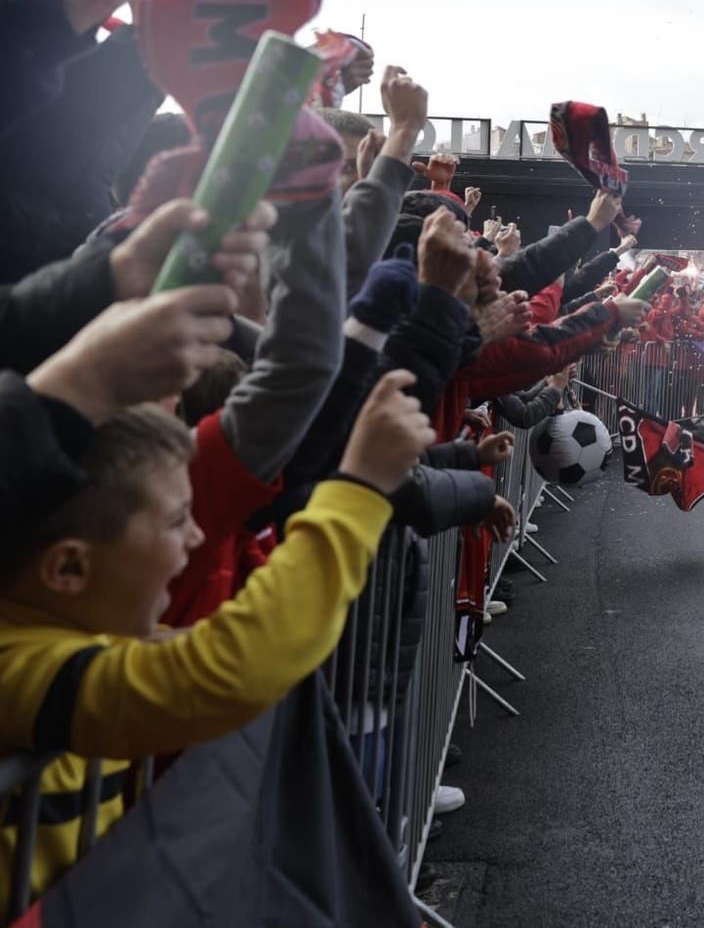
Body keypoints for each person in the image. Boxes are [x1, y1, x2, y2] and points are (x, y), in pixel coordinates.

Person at [0, 372, 433, 903]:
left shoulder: (77, 635)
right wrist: (359, 490)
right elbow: (229, 666)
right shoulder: (16, 665)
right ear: (67, 567)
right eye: (178, 519)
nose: (198, 535)